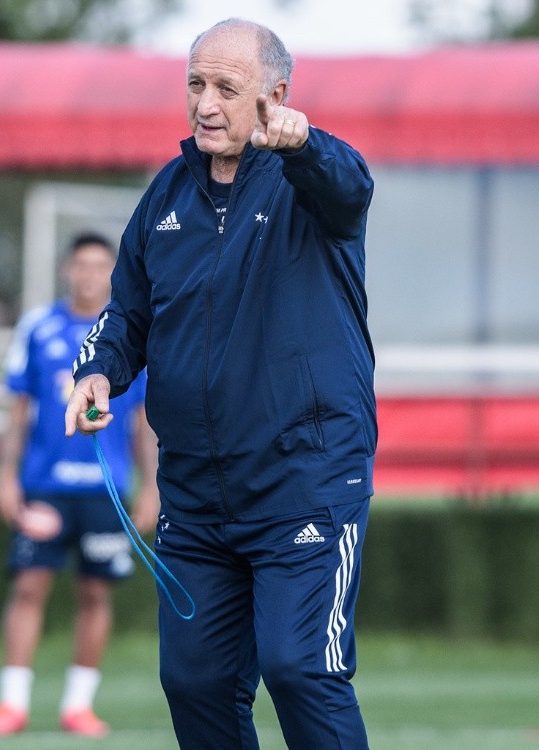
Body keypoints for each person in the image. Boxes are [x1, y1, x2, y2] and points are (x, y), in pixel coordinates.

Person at [66, 18, 376, 749]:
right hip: (197, 496)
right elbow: (128, 312)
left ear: (276, 95)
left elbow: (351, 186)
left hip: (303, 483)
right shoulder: (166, 195)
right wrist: (98, 371)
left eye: (227, 89)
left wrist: (303, 143)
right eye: (196, 85)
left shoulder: (312, 179)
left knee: (300, 668)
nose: (205, 104)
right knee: (195, 683)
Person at [0, 232, 160, 738]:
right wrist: (5, 477)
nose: (89, 275)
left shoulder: (127, 334)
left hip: (105, 488)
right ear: (67, 269)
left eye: (100, 266)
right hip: (45, 486)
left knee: (96, 593)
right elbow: (18, 410)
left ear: (112, 273)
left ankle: (78, 706)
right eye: (81, 265)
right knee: (28, 586)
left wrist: (151, 486)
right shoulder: (39, 328)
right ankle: (12, 704)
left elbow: (142, 420)